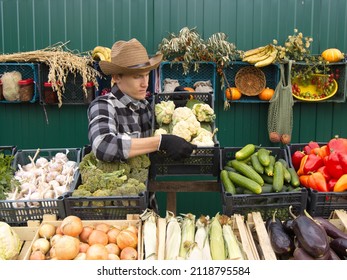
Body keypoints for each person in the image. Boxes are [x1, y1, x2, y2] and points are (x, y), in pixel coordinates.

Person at [87, 39, 196, 212]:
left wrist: (176, 105)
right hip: (116, 209)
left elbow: (164, 123)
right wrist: (160, 142)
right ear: (116, 77)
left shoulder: (145, 106)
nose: (145, 83)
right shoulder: (104, 105)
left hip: (148, 202)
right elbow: (103, 145)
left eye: (146, 75)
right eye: (137, 76)